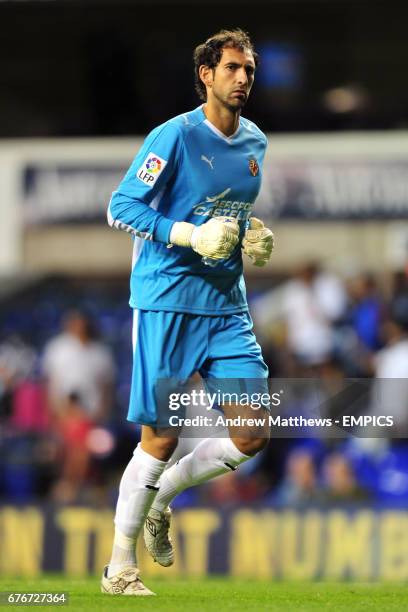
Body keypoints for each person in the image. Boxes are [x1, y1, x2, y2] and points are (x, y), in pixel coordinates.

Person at [101, 29, 274, 596]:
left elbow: (226, 215)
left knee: (253, 434)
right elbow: (121, 205)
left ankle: (164, 497)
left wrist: (250, 235)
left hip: (227, 307)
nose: (243, 78)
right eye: (232, 68)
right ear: (206, 73)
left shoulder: (255, 143)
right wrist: (186, 233)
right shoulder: (172, 136)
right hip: (168, 301)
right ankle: (120, 569)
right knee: (160, 437)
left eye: (248, 69)